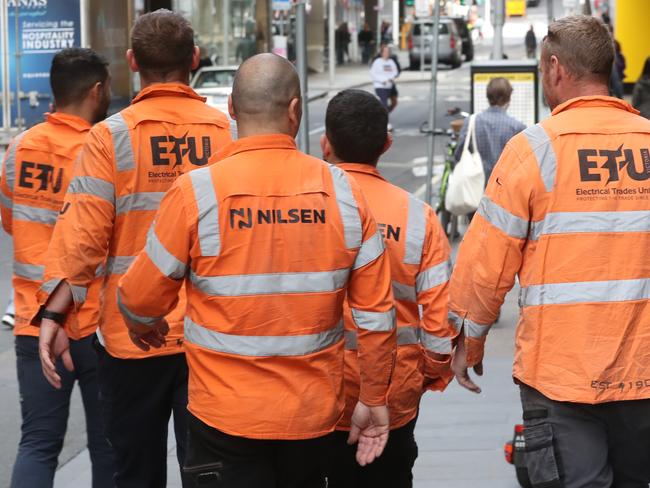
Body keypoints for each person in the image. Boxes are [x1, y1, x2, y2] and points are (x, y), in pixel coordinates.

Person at [117, 53, 396, 488]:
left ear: (230, 108)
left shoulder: (197, 192)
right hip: (310, 418)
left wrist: (142, 323)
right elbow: (377, 317)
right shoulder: (344, 193)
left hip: (224, 417)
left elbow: (137, 297)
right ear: (295, 110)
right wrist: (374, 397)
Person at [449, 15, 650, 487]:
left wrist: (468, 341)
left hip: (560, 376)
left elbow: (485, 263)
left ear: (556, 68)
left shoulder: (534, 151)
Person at [36, 10, 232, 487]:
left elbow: (83, 238)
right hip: (212, 339)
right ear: (195, 59)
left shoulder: (109, 138)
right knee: (208, 472)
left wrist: (54, 315)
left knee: (135, 472)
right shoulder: (228, 134)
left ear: (132, 62)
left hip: (130, 339)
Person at [322, 89, 457, 488]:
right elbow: (437, 328)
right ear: (386, 144)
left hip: (316, 393)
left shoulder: (306, 210)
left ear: (325, 143)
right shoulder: (419, 218)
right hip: (391, 400)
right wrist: (423, 377)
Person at [0, 48, 115, 488]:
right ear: (97, 90)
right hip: (94, 323)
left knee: (39, 442)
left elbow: (11, 220)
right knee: (107, 443)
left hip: (35, 321)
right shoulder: (100, 150)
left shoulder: (20, 146)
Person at [454, 77, 525, 183]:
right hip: (504, 188)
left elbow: (459, 153)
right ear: (508, 98)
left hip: (475, 188)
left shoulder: (471, 122)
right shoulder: (517, 127)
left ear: (488, 96)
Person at [370, 46, 399, 130]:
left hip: (389, 86)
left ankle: (378, 117)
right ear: (382, 53)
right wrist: (382, 80)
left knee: (392, 103)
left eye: (388, 52)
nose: (387, 53)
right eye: (385, 52)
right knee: (384, 104)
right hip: (380, 86)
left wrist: (391, 78)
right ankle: (385, 124)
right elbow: (372, 73)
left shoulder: (391, 62)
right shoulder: (377, 62)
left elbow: (395, 71)